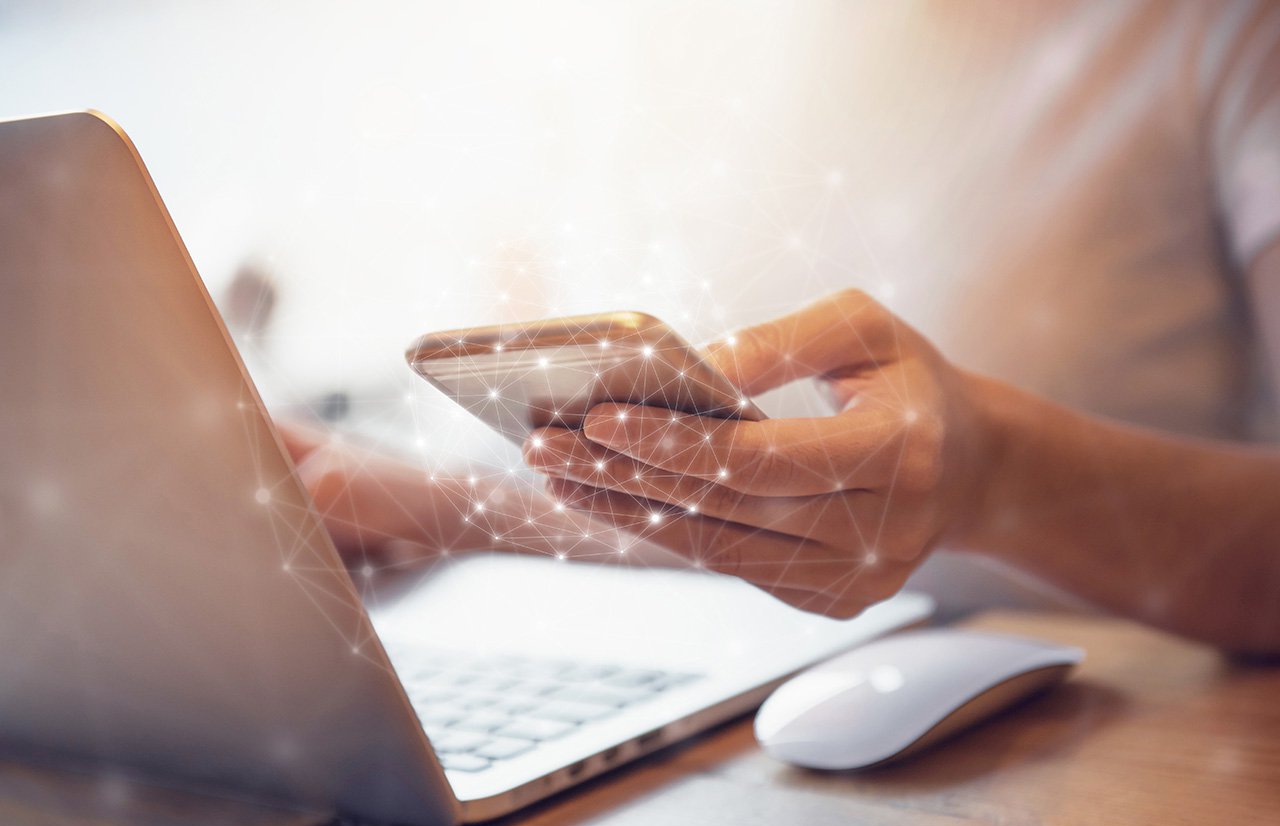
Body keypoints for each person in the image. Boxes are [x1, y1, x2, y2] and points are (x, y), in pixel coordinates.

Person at [279, 1, 1280, 655]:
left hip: (1118, 753)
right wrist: (423, 506)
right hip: (736, 730)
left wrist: (996, 473)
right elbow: (719, 507)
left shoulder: (1223, 36)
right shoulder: (680, 51)